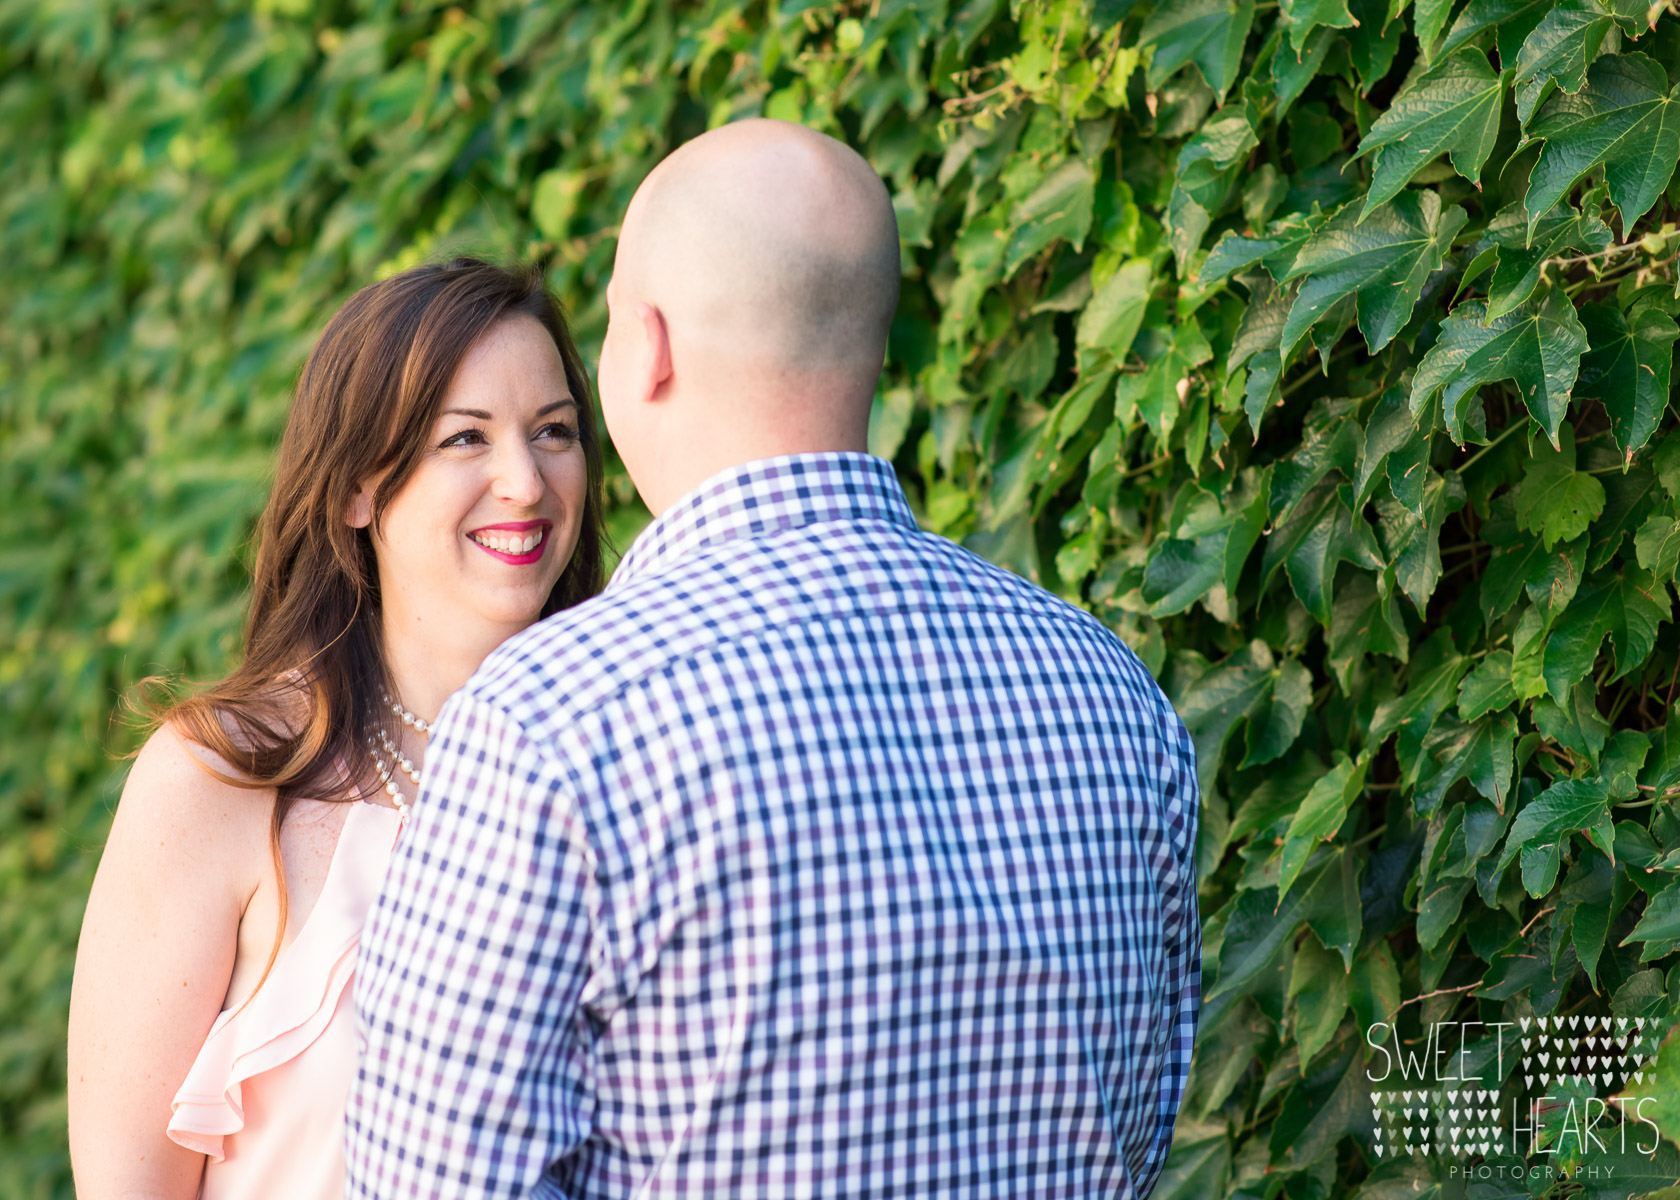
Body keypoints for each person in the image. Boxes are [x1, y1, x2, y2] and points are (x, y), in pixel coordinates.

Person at [348, 119, 1201, 1198]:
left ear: (646, 347)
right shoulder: (1108, 689)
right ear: (872, 347)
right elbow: (1147, 1113)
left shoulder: (552, 721)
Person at [66, 258, 606, 1200]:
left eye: (553, 432)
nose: (525, 481)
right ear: (358, 490)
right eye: (463, 439)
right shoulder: (220, 777)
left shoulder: (637, 758)